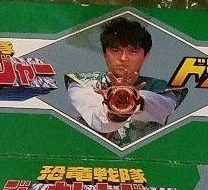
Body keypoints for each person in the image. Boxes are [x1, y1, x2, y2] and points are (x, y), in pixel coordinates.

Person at [65, 16, 184, 145]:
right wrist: (116, 105)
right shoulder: (82, 84)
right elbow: (99, 122)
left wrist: (135, 98)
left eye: (133, 51)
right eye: (115, 50)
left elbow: (164, 108)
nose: (123, 58)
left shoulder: (160, 88)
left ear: (145, 56)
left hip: (145, 156)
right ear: (104, 53)